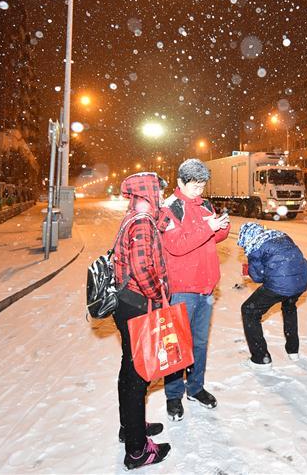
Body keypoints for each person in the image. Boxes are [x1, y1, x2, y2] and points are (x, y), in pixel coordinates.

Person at [158, 158, 230, 421]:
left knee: (199, 343)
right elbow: (176, 245)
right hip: (181, 289)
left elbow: (212, 237)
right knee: (177, 345)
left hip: (206, 287)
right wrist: (207, 227)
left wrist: (221, 227)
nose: (199, 191)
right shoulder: (170, 208)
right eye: (194, 186)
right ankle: (174, 395)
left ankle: (195, 388)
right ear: (180, 182)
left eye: (202, 186)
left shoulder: (205, 205)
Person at [112, 172, 172, 469]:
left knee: (129, 371)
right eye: (158, 190)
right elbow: (140, 266)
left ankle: (130, 427)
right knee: (138, 377)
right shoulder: (141, 222)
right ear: (149, 192)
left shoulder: (135, 217)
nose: (161, 193)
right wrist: (157, 295)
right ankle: (137, 450)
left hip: (126, 304)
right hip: (139, 304)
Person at [236, 222, 307, 368]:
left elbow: (258, 277)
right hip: (301, 279)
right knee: (289, 307)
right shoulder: (280, 235)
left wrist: (249, 271)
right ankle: (293, 350)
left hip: (281, 284)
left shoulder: (254, 246)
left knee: (249, 310)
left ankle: (260, 358)